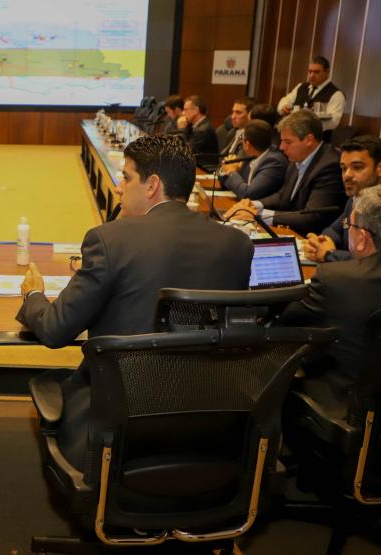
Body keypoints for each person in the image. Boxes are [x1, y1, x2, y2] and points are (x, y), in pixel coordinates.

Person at [17, 135, 254, 472]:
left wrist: (33, 296)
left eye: (126, 177)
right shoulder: (237, 243)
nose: (118, 188)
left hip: (122, 419)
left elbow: (55, 329)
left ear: (152, 185)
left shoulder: (111, 238)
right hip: (208, 415)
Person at [279, 185, 381, 409]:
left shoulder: (334, 279)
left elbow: (286, 324)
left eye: (350, 226)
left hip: (345, 408)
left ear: (362, 238)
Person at [224, 110, 346, 235]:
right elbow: (283, 196)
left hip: (310, 238)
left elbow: (311, 217)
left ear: (309, 140)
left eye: (288, 142)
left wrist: (258, 214)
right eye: (282, 141)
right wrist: (253, 204)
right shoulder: (297, 158)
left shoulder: (329, 166)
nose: (281, 147)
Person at [302, 135, 381, 263]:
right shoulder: (359, 193)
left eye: (357, 167)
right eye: (344, 168)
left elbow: (377, 261)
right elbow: (336, 229)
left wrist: (330, 254)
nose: (347, 175)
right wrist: (321, 242)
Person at [221, 119, 288, 200]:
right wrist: (228, 170)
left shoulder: (273, 162)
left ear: (247, 144)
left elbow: (247, 194)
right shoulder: (253, 155)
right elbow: (228, 184)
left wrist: (231, 172)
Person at [277, 55, 346, 131]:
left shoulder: (336, 94)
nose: (311, 75)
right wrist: (284, 107)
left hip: (318, 138)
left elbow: (333, 122)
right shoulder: (301, 87)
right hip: (294, 134)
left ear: (327, 72)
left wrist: (306, 126)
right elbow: (286, 99)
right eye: (310, 71)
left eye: (316, 72)